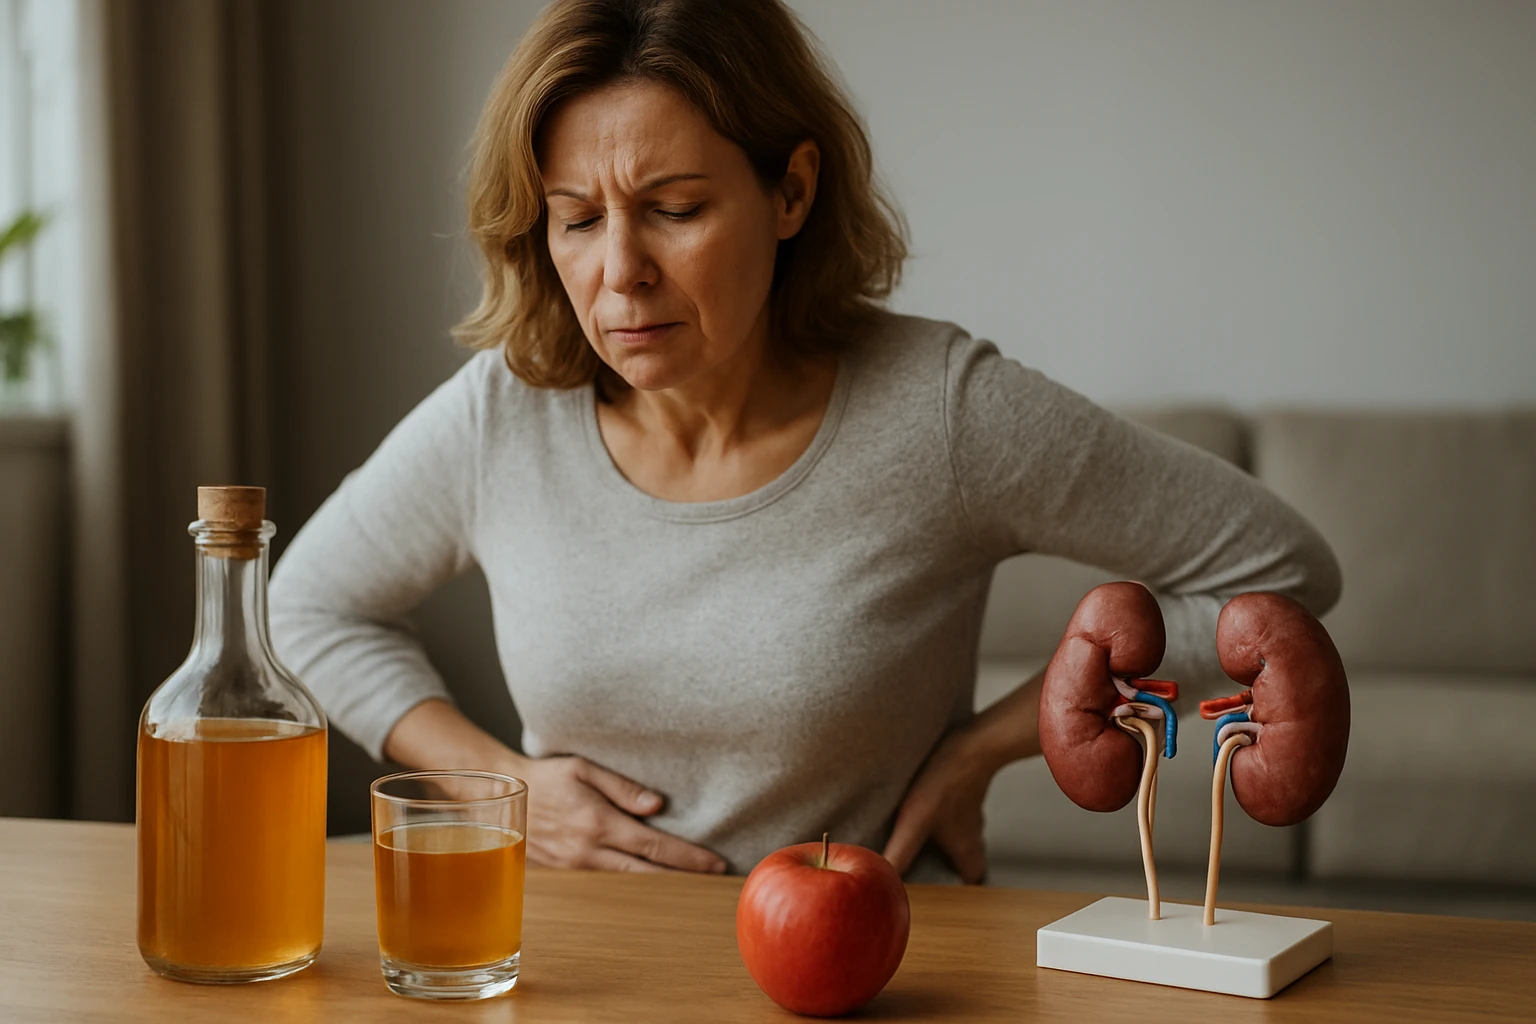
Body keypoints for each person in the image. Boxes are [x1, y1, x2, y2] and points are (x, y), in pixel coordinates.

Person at [270, 0, 1340, 884]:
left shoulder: (943, 411)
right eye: (577, 218)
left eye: (674, 208)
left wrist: (993, 742)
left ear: (790, 190)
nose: (619, 271)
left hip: (873, 975)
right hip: (575, 964)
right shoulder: (505, 412)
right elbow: (303, 604)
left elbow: (1281, 571)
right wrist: (493, 787)